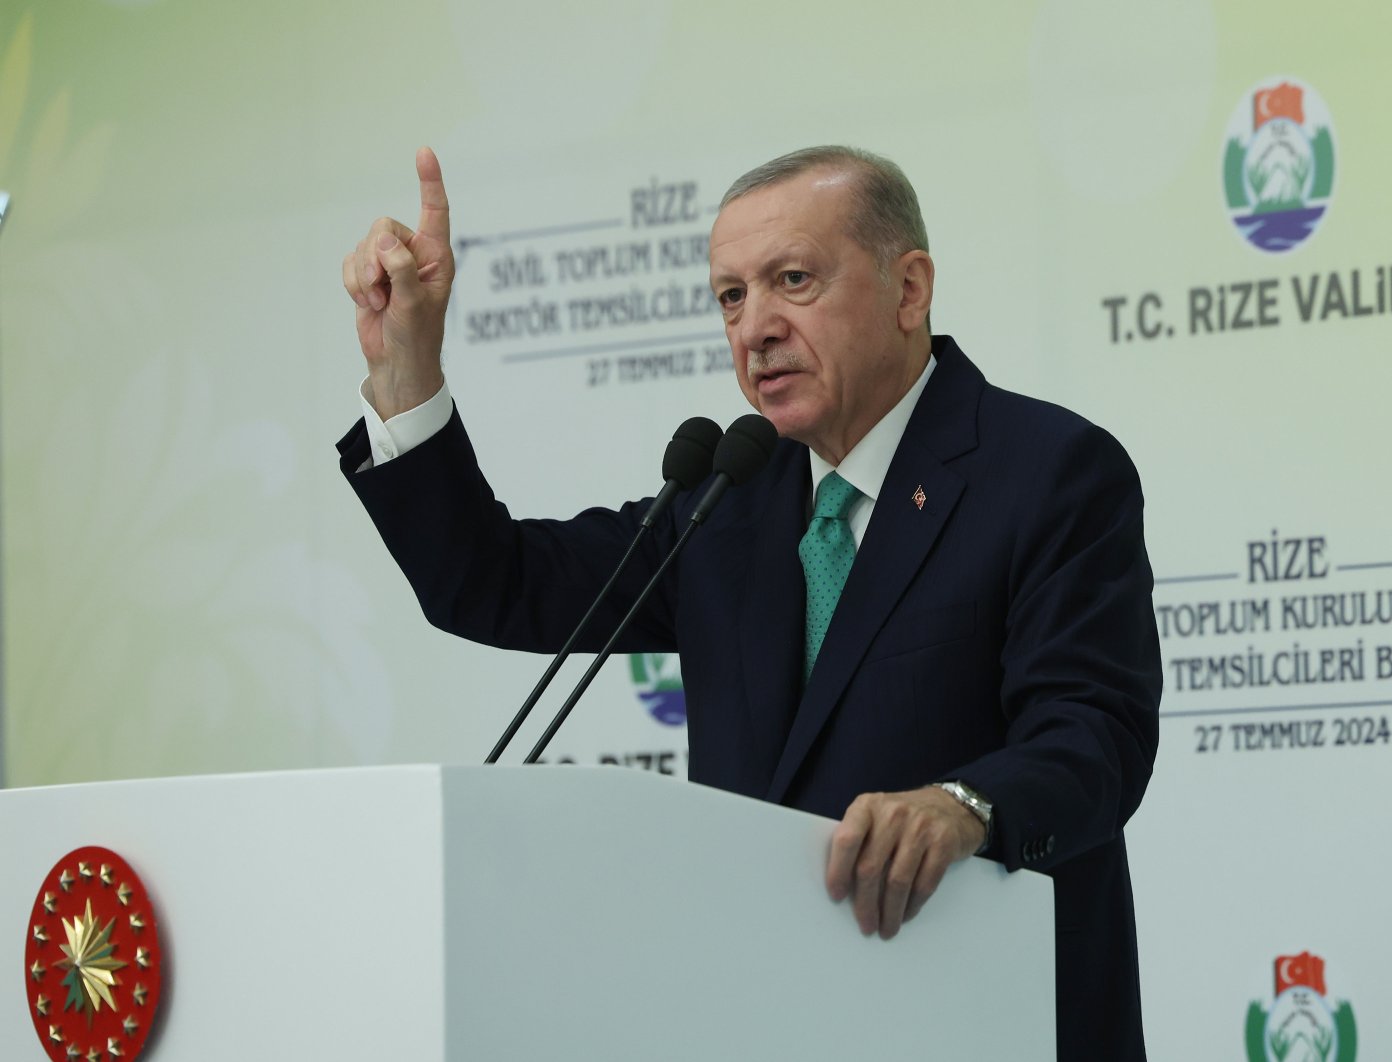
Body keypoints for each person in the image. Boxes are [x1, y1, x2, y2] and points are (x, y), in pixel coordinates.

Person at [338, 145, 1163, 1060]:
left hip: (983, 1021)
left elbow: (1096, 732)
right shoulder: (728, 503)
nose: (755, 326)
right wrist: (408, 370)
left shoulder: (1046, 473)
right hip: (768, 1023)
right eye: (731, 296)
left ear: (910, 288)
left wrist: (965, 803)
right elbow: (494, 584)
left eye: (793, 280)